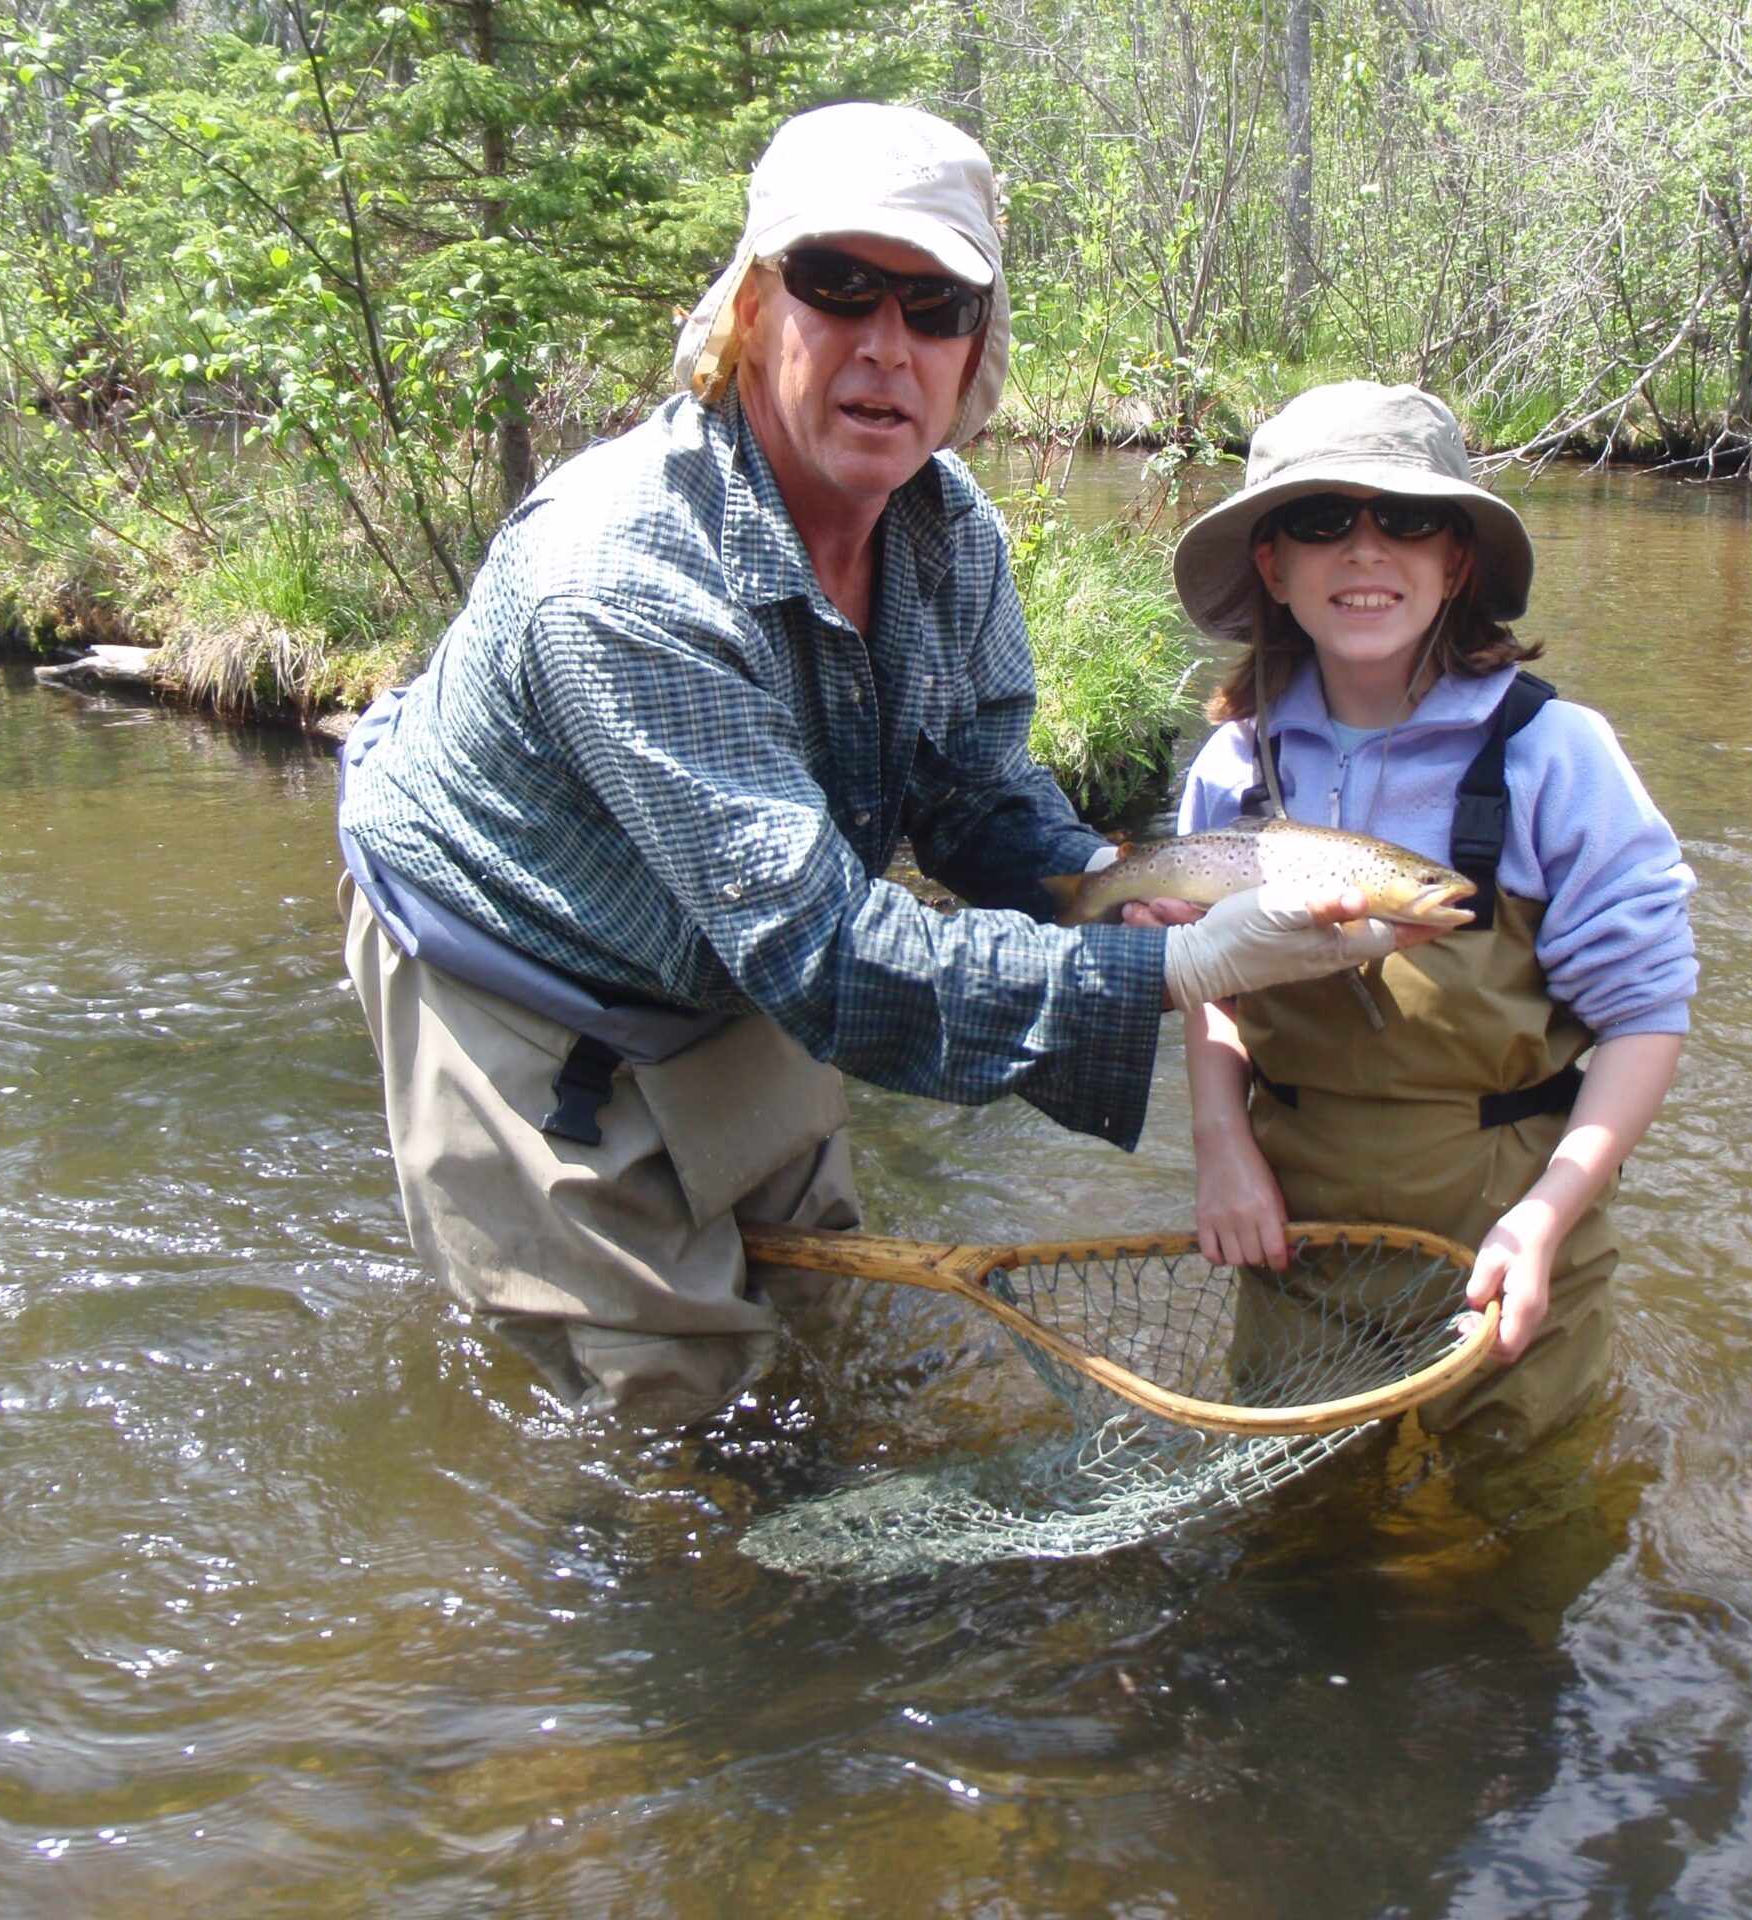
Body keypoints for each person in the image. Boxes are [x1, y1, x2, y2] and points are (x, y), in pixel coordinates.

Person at [335, 105, 1416, 1422]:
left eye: (936, 303)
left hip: (743, 942)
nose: (887, 345)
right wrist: (1174, 968)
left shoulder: (949, 533)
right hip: (510, 961)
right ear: (749, 311)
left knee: (820, 1310)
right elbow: (828, 964)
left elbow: (968, 781)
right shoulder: (616, 579)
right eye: (838, 285)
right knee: (672, 1408)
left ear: (977, 351)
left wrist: (1097, 877)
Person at [1145, 381, 1697, 1450]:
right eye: (1319, 523)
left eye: (1405, 520)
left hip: (1514, 1239)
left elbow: (1645, 1015)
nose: (1364, 552)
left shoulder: (1556, 757)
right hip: (1293, 1240)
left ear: (1456, 562)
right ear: (1271, 563)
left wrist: (1545, 1218)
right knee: (1296, 1553)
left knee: (1520, 1530)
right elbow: (1204, 978)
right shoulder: (1230, 764)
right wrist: (1218, 1139)